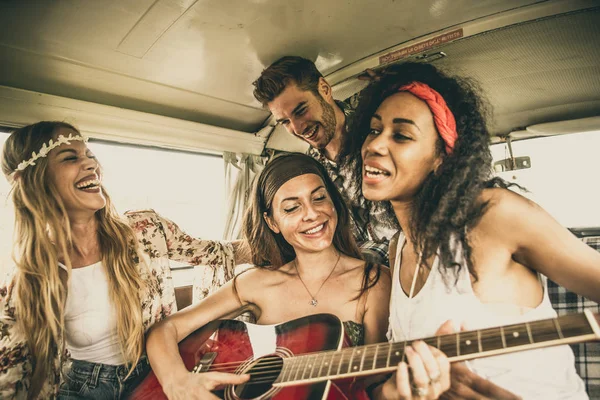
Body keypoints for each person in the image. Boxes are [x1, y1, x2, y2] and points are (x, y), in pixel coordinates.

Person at [346, 61, 600, 399]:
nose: (374, 145)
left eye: (402, 135)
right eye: (374, 130)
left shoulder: (493, 214)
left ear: (442, 158)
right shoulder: (398, 248)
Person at [145, 153, 451, 400]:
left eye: (319, 198)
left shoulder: (374, 281)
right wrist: (177, 383)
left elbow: (372, 386)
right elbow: (165, 331)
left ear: (333, 202)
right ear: (272, 222)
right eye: (291, 208)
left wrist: (403, 392)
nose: (311, 214)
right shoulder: (253, 283)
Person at [0, 121, 246, 399]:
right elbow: (12, 378)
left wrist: (291, 247)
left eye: (89, 155)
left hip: (156, 370)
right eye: (71, 158)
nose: (91, 164)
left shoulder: (145, 229)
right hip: (84, 387)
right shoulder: (27, 279)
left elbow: (218, 252)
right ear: (35, 182)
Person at [252, 56, 398, 265]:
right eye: (285, 122)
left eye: (301, 111)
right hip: (359, 275)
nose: (298, 128)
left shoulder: (377, 133)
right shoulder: (311, 171)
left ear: (324, 89)